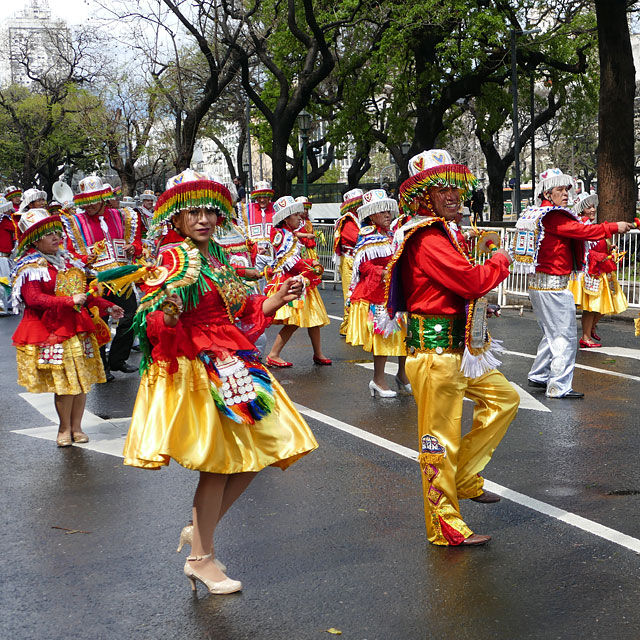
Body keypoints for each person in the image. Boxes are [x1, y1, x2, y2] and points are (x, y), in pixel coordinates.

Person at [122, 169, 318, 595]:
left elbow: (245, 308)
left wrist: (278, 297)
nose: (204, 218)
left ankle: (198, 532)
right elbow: (155, 319)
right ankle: (200, 558)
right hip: (199, 365)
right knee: (218, 464)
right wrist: (169, 314)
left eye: (210, 210)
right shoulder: (174, 258)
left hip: (232, 359)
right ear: (175, 218)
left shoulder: (217, 257)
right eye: (192, 211)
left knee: (261, 449)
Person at [386, 149, 519, 546]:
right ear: (424, 197)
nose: (452, 195)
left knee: (504, 399)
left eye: (455, 187)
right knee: (438, 442)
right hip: (435, 354)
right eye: (441, 189)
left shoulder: (440, 232)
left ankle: (465, 476)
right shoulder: (427, 236)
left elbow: (458, 289)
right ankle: (444, 526)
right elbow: (471, 281)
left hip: (458, 350)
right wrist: (499, 260)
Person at [512, 168, 632, 398]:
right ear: (548, 193)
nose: (566, 193)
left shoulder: (537, 212)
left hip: (539, 284)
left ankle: (539, 374)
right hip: (553, 286)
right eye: (560, 189)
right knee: (564, 336)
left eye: (567, 189)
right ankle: (558, 385)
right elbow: (581, 231)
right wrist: (613, 227)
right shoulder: (554, 216)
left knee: (551, 333)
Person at [10, 208, 123, 446]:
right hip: (52, 331)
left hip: (78, 329)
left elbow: (85, 293)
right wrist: (68, 301)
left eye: (56, 232)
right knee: (64, 382)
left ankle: (77, 428)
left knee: (80, 380)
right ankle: (64, 429)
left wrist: (107, 305)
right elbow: (34, 300)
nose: (56, 237)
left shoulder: (68, 260)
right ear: (35, 239)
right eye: (48, 233)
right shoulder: (31, 265)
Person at [61, 176, 141, 379]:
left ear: (103, 198)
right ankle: (102, 367)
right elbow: (70, 254)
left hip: (122, 278)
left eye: (93, 200)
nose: (88, 205)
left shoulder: (123, 216)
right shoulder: (75, 223)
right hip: (95, 280)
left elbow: (137, 243)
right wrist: (86, 258)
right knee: (99, 322)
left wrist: (133, 248)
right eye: (85, 201)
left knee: (129, 317)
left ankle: (118, 359)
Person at [346, 189, 410, 397]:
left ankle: (402, 374)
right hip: (378, 293)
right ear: (371, 215)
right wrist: (382, 273)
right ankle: (378, 379)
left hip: (397, 290)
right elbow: (363, 267)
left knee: (405, 335)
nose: (387, 215)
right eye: (381, 211)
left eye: (388, 211)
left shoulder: (394, 234)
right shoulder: (367, 236)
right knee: (382, 336)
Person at [264, 196, 331, 367]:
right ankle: (273, 354)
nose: (300, 218)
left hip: (300, 279)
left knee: (313, 318)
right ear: (286, 217)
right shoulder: (282, 235)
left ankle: (318, 353)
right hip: (290, 282)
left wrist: (309, 265)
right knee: (293, 321)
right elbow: (289, 262)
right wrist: (310, 264)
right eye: (296, 215)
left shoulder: (289, 234)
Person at [568, 192, 628, 347]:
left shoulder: (590, 226)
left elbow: (597, 244)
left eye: (594, 206)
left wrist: (609, 248)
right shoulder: (582, 226)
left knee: (604, 303)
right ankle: (586, 336)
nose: (593, 210)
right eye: (589, 207)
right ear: (581, 210)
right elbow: (588, 248)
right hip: (590, 271)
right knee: (591, 306)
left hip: (600, 269)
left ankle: (591, 329)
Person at [334, 189, 362, 336]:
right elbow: (357, 238)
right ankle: (348, 325)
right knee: (350, 293)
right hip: (350, 261)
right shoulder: (348, 221)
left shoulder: (360, 219)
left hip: (358, 260)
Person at [0, 196, 17, 315]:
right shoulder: (5, 220)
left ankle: (6, 306)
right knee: (5, 281)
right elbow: (16, 228)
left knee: (5, 280)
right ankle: (4, 306)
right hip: (2, 256)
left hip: (5, 256)